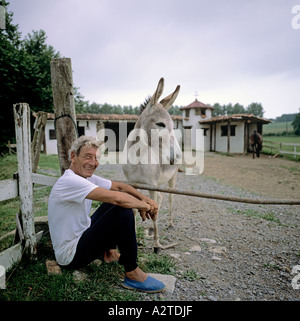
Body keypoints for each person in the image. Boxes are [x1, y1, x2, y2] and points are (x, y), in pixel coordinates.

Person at [48, 135, 165, 293]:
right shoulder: (70, 181)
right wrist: (145, 206)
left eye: (96, 158)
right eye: (88, 156)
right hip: (70, 256)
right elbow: (118, 199)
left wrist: (146, 199)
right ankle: (132, 272)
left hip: (81, 237)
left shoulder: (84, 177)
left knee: (112, 206)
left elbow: (120, 188)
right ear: (73, 156)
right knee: (122, 209)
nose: (93, 163)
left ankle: (109, 251)